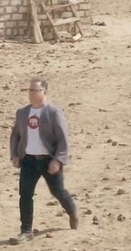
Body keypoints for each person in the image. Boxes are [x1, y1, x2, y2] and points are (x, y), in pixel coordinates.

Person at [9, 74, 79, 242]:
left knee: (58, 192)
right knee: (25, 195)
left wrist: (58, 160)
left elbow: (63, 139)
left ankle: (72, 210)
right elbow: (15, 136)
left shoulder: (54, 113)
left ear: (44, 92)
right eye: (29, 90)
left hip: (49, 160)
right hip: (29, 161)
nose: (31, 93)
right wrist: (15, 155)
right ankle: (26, 231)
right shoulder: (23, 113)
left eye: (35, 90)